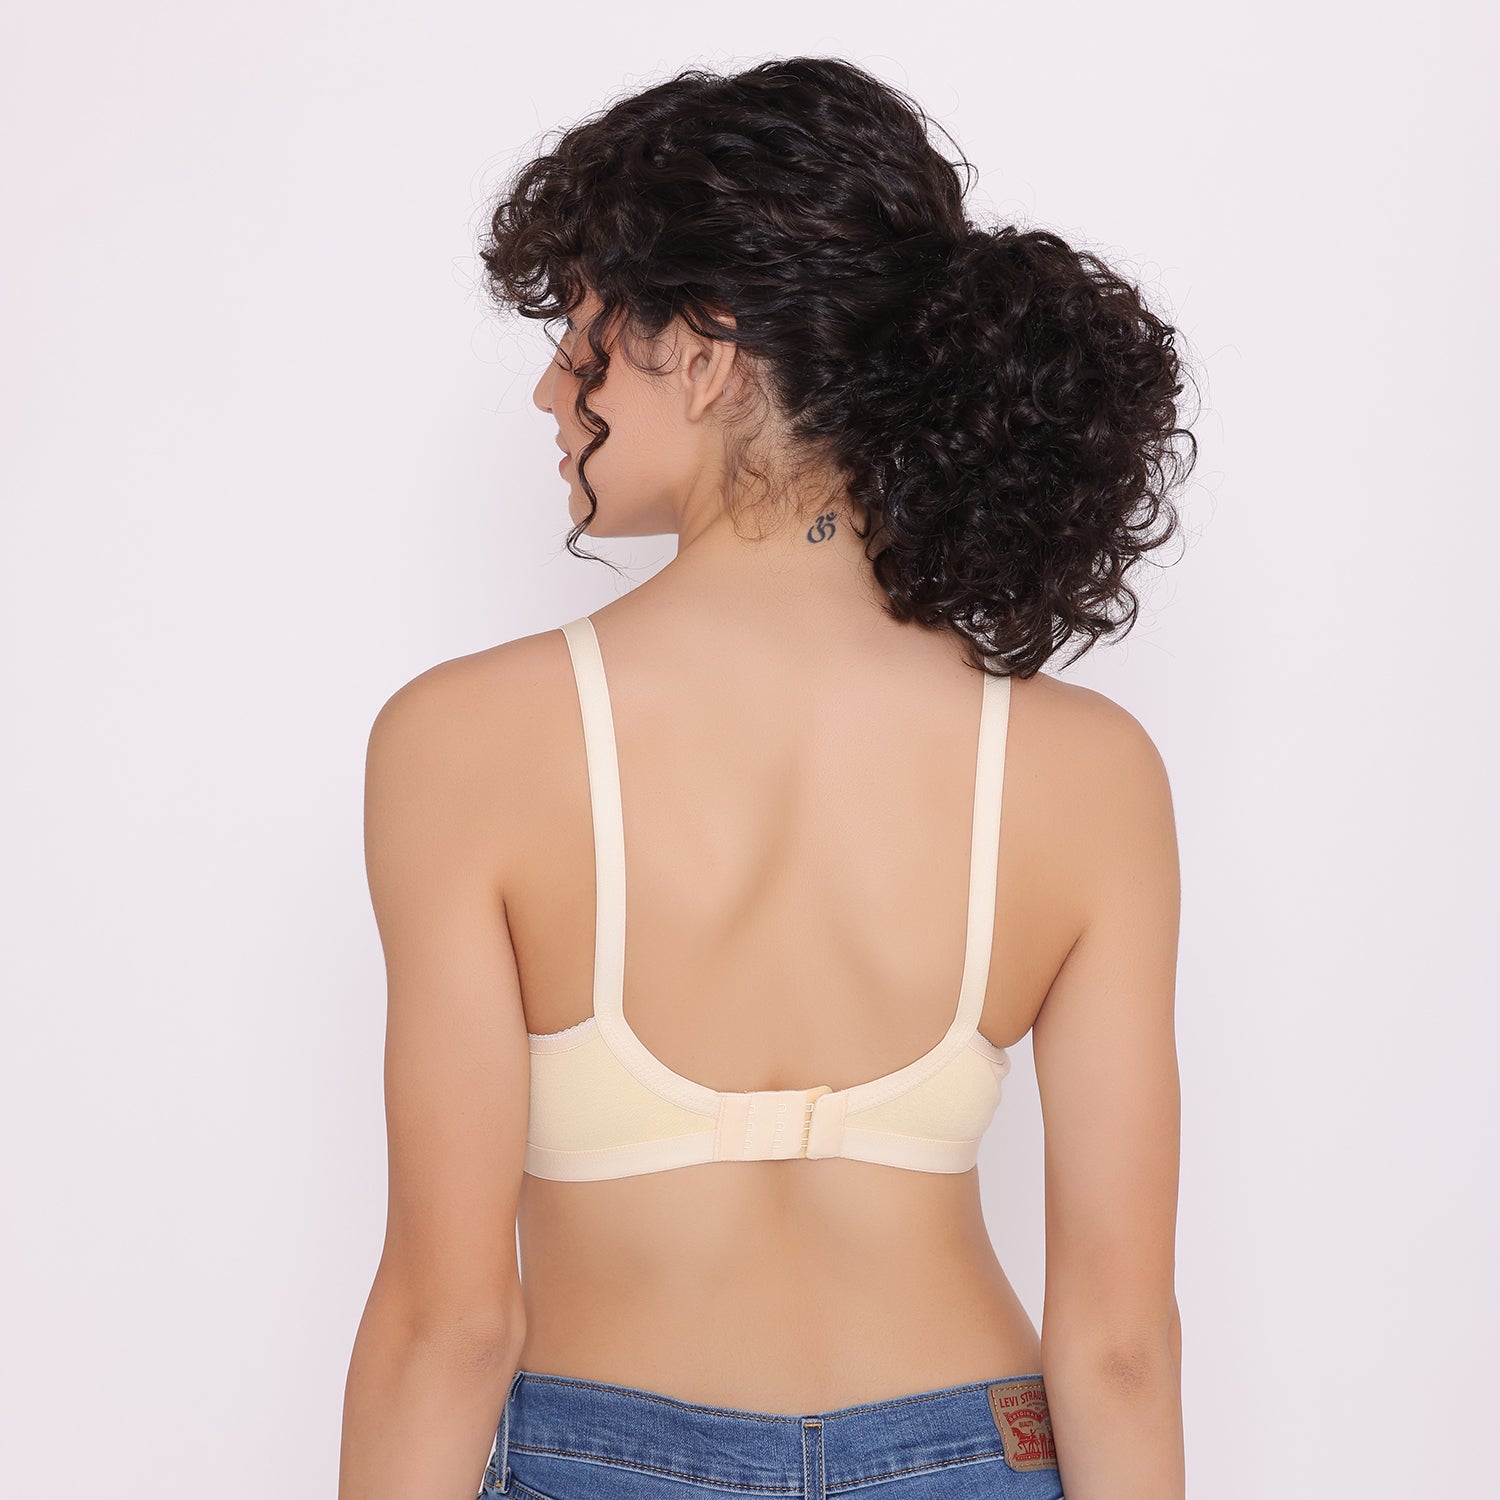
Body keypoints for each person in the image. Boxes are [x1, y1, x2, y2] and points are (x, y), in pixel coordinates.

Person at [339, 55, 1196, 1500]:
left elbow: (451, 1322)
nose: (549, 392)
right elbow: (1118, 1350)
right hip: (971, 1457)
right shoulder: (1088, 770)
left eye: (582, 340)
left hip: (602, 1456)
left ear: (707, 350)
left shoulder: (461, 742)